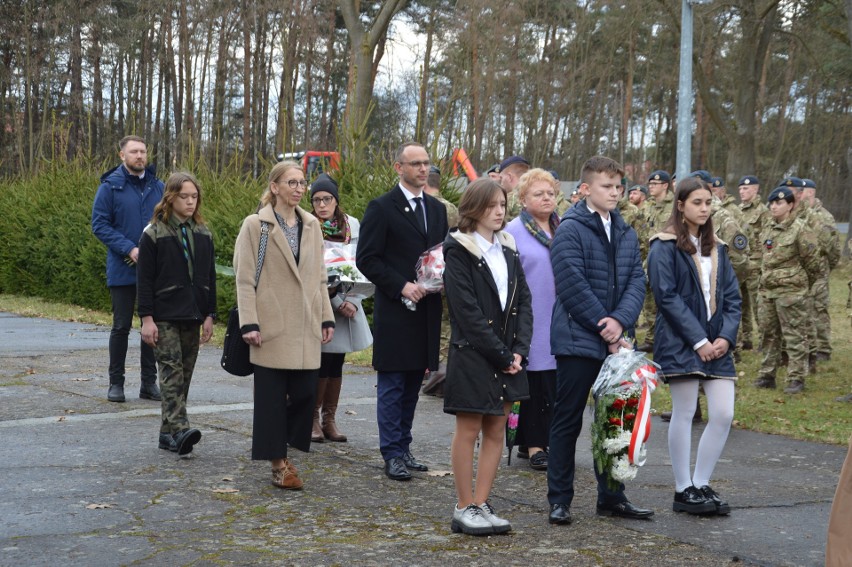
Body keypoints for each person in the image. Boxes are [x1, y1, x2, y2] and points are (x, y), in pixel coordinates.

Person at [547, 156, 653, 525]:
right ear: (586, 188)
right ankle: (559, 499)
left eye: (618, 187)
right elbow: (570, 281)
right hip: (578, 338)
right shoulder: (571, 227)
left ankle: (612, 496)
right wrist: (603, 326)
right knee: (568, 419)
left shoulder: (624, 230)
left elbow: (636, 281)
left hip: (617, 342)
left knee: (615, 422)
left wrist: (620, 323)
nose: (615, 193)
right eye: (607, 187)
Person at [233, 160, 335, 490]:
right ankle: (279, 464)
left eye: (302, 182)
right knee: (271, 399)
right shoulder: (255, 225)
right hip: (269, 324)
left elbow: (320, 276)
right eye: (291, 182)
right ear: (274, 187)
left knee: (306, 394)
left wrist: (326, 316)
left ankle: (280, 443)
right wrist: (249, 321)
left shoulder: (312, 225)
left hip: (305, 323)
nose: (299, 188)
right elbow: (244, 279)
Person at [443, 178, 532, 535]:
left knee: (497, 428)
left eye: (503, 204)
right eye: (492, 205)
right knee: (469, 429)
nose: (500, 212)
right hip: (474, 354)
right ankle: (463, 506)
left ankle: (481, 502)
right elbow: (466, 312)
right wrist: (501, 354)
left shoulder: (508, 248)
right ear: (474, 209)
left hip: (508, 357)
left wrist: (519, 351)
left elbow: (524, 302)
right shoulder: (459, 250)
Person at [647, 177, 741, 516]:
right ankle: (682, 488)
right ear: (680, 204)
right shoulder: (664, 245)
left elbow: (732, 298)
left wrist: (724, 339)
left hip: (718, 345)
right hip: (680, 341)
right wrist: (698, 340)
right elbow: (667, 297)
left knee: (723, 414)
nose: (704, 208)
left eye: (708, 202)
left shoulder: (719, 247)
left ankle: (701, 483)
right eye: (697, 202)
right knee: (685, 413)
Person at [356, 142, 449, 481]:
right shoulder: (382, 207)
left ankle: (404, 447)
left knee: (413, 382)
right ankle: (391, 452)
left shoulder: (436, 209)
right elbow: (367, 258)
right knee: (394, 383)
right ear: (398, 168)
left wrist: (440, 278)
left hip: (427, 308)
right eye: (415, 164)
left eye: (426, 163)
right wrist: (401, 285)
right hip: (397, 309)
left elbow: (440, 252)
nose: (423, 169)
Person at [137, 172, 216, 456]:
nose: (191, 202)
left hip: (193, 314)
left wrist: (210, 314)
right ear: (171, 197)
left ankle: (166, 434)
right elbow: (144, 280)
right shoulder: (154, 233)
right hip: (164, 315)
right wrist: (146, 318)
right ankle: (181, 428)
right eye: (185, 196)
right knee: (171, 372)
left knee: (185, 374)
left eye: (194, 197)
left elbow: (210, 277)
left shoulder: (203, 233)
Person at [92, 135, 164, 403]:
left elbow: (168, 221)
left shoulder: (159, 187)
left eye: (143, 151)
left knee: (152, 327)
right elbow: (99, 225)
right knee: (121, 326)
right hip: (123, 268)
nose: (139, 156)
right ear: (122, 155)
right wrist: (130, 249)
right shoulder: (110, 188)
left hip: (154, 271)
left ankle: (148, 383)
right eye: (133, 152)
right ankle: (116, 384)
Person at [309, 174, 372, 444]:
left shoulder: (351, 225)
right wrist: (335, 301)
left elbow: (360, 265)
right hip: (320, 302)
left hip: (349, 300)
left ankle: (329, 419)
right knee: (320, 363)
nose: (322, 204)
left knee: (337, 364)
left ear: (336, 201)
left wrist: (353, 301)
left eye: (327, 199)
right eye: (316, 200)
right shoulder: (308, 225)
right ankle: (311, 418)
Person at [504, 168, 560, 471]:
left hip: (558, 314)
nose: (546, 198)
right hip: (528, 315)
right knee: (534, 380)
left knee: (552, 381)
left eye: (550, 192)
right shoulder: (513, 230)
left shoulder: (562, 227)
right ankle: (534, 445)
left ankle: (541, 440)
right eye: (539, 193)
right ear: (523, 199)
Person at [753, 186, 820, 394]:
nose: (774, 206)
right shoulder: (768, 227)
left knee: (794, 336)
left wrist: (797, 283)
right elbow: (764, 256)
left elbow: (813, 263)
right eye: (772, 203)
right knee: (768, 334)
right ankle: (767, 374)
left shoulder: (801, 228)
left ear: (790, 205)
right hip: (768, 291)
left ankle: (796, 377)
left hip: (791, 292)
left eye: (779, 203)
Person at [800, 178, 840, 362]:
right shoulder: (800, 214)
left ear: (810, 192)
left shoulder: (824, 216)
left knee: (819, 308)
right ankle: (809, 345)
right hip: (803, 270)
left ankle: (824, 348)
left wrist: (826, 267)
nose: (799, 194)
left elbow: (832, 248)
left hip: (820, 270)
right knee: (803, 309)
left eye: (802, 191)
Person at [637, 170, 673, 353]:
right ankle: (652, 338)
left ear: (665, 185)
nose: (650, 186)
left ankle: (669, 338)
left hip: (668, 262)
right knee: (649, 303)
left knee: (667, 302)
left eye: (655, 184)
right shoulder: (647, 207)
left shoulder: (676, 206)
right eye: (649, 184)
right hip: (649, 259)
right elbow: (643, 234)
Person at [738, 175, 769, 351]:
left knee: (759, 304)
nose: (742, 192)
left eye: (747, 189)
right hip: (741, 262)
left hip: (756, 263)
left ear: (756, 190)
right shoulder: (737, 210)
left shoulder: (763, 211)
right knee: (741, 303)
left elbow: (768, 236)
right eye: (741, 188)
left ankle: (764, 340)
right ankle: (746, 338)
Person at [498, 155, 531, 221]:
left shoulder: (507, 200)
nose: (501, 183)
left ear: (509, 177)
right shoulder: (542, 195)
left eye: (501, 178)